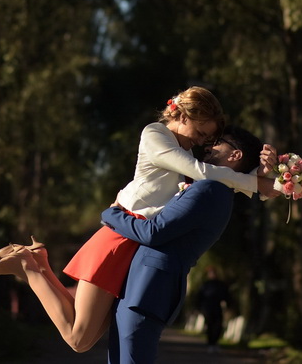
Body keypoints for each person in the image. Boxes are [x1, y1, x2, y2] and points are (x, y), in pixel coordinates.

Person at [0, 87, 279, 353]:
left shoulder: (183, 151)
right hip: (119, 237)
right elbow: (205, 173)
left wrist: (264, 176)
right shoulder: (156, 135)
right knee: (78, 339)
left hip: (133, 241)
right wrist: (258, 185)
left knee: (86, 336)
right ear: (184, 116)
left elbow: (218, 173)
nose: (201, 143)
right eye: (200, 133)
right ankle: (29, 265)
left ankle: (35, 261)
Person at [100, 125, 264, 363]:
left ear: (235, 155)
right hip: (145, 288)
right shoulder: (217, 189)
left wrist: (112, 214)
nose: (208, 146)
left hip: (147, 289)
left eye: (218, 143)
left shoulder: (210, 188)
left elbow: (154, 232)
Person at [196, 266, 230, 352]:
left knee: (218, 326)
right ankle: (210, 343)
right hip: (207, 308)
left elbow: (226, 296)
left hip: (217, 308)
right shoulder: (205, 285)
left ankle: (215, 342)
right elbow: (199, 297)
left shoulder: (220, 285)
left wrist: (228, 305)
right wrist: (198, 308)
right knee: (210, 326)